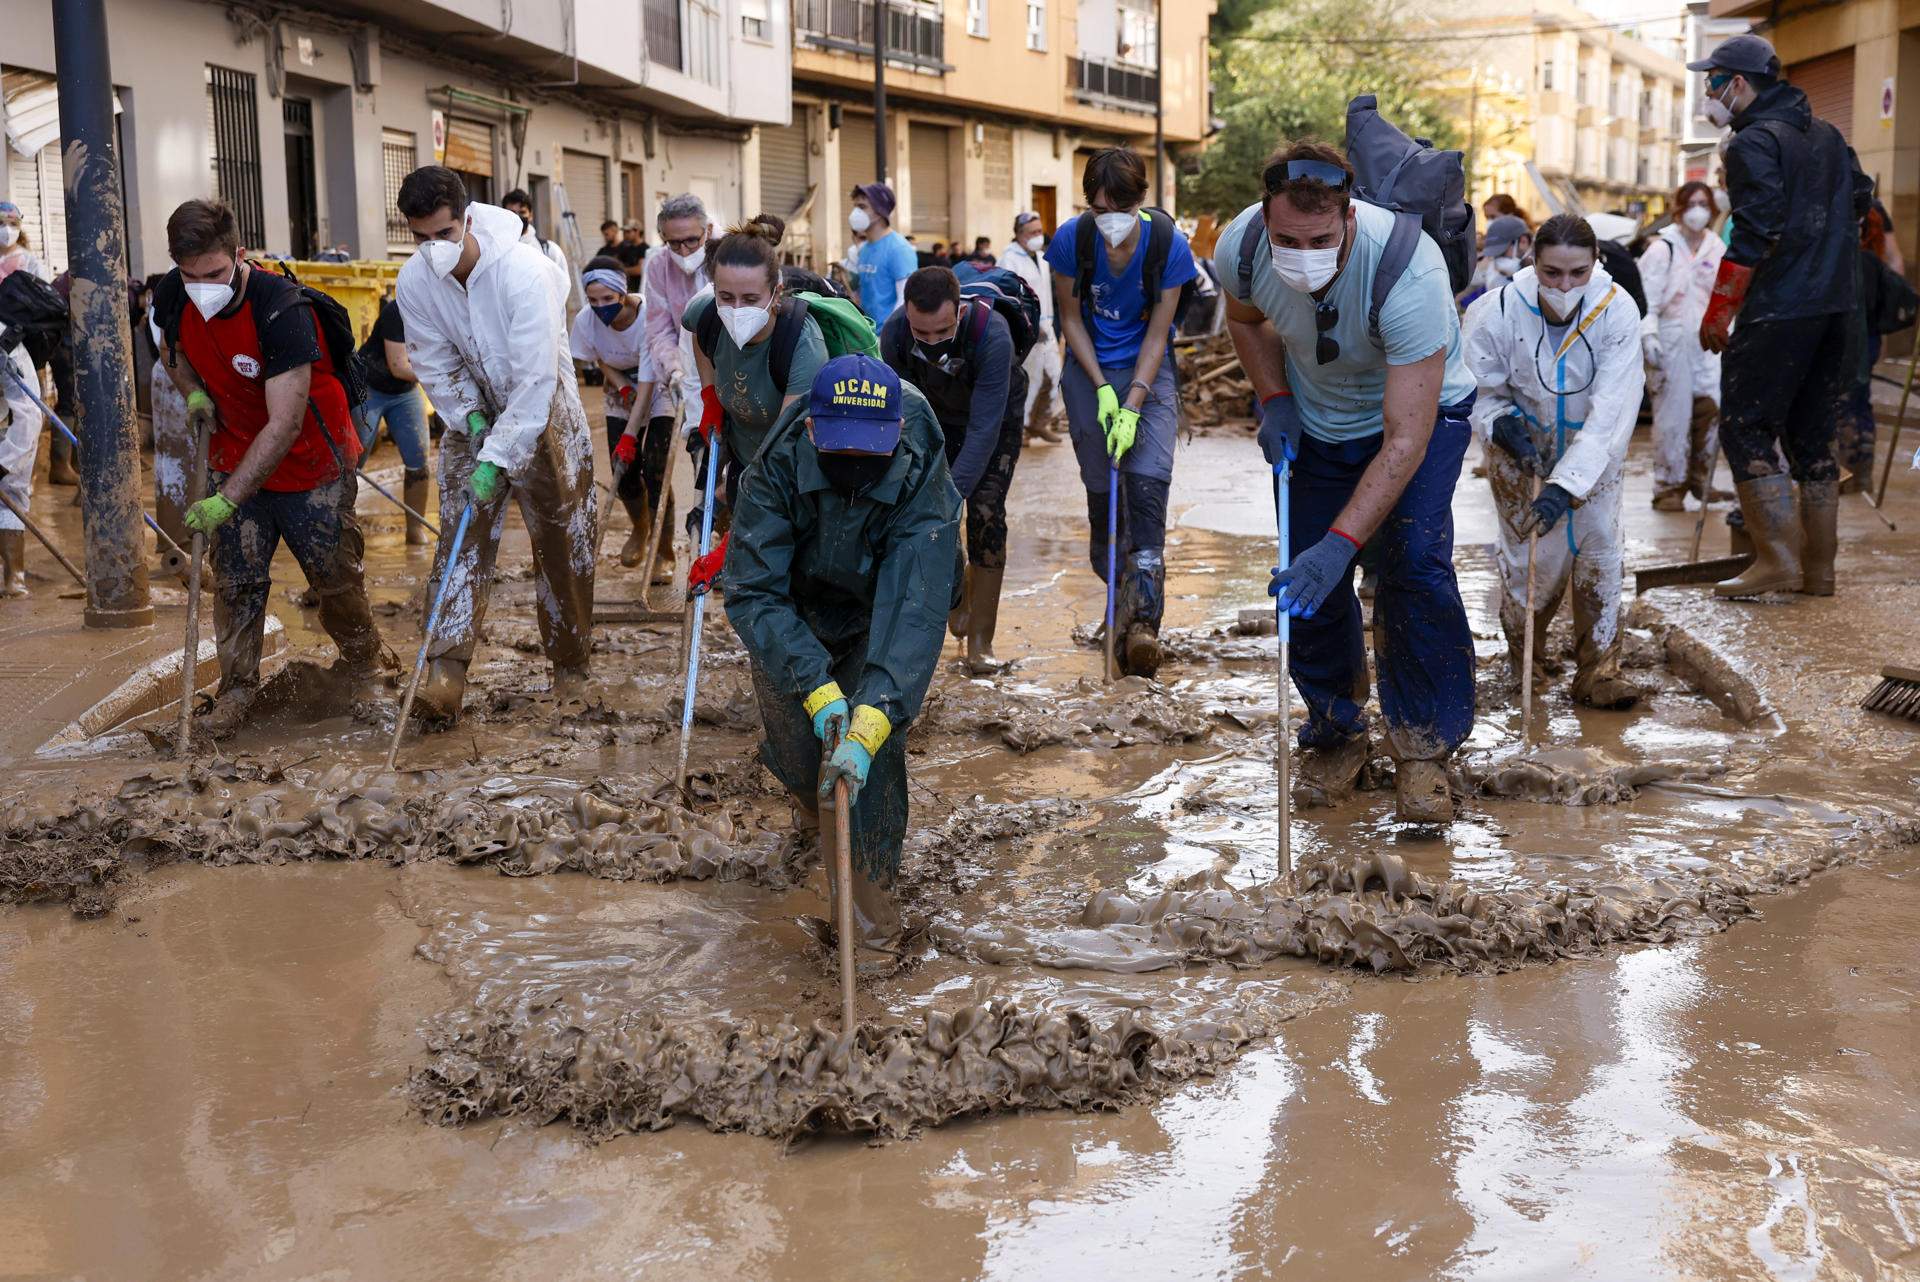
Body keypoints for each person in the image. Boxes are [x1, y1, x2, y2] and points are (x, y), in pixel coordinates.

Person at [1216, 141, 1481, 823]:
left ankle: (1423, 750)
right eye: (1287, 239)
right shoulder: (1241, 248)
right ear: (1265, 220)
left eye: (1321, 239)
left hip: (1420, 415)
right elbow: (1245, 321)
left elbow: (1406, 439)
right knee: (1307, 582)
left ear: (1351, 220)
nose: (1302, 251)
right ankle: (1337, 728)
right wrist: (1273, 397)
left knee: (1415, 564)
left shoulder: (1408, 272)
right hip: (1316, 416)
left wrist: (1344, 541)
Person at [725, 354, 962, 960]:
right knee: (801, 751)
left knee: (870, 756)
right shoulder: (774, 466)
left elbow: (916, 600)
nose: (855, 464)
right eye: (842, 449)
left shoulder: (917, 458)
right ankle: (811, 805)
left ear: (896, 433)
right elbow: (754, 589)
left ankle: (871, 926)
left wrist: (875, 712)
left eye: (870, 451)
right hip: (793, 608)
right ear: (810, 428)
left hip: (877, 606)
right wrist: (814, 684)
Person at [153, 198, 384, 737]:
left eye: (213, 274)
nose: (201, 287)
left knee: (334, 580)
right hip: (233, 451)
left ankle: (366, 667)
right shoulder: (173, 292)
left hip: (311, 464)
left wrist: (225, 499)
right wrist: (192, 395)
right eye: (190, 275)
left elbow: (283, 424)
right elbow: (173, 349)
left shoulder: (281, 309)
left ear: (239, 255)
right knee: (236, 582)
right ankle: (236, 692)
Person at [395, 165, 597, 721]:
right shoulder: (413, 282)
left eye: (443, 234)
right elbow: (432, 360)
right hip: (474, 413)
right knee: (460, 535)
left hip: (545, 410)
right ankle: (445, 673)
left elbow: (535, 378)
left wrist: (504, 452)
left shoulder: (525, 273)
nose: (432, 248)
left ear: (466, 219)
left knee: (563, 539)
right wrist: (471, 419)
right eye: (420, 238)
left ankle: (570, 666)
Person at [1691, 33, 1870, 599]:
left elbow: (1756, 228)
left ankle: (1775, 560)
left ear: (1738, 84)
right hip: (1838, 308)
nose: (1708, 92)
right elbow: (1862, 199)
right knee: (1812, 438)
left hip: (1780, 309)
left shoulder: (1751, 143)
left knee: (1745, 427)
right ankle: (1819, 571)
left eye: (1712, 81)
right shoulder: (1828, 135)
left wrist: (1721, 310)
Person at [1464, 214, 1646, 710]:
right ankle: (1529, 660)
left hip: (1596, 452)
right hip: (1519, 452)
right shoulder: (1496, 311)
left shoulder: (1617, 311)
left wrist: (1566, 484)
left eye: (1577, 273)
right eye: (1552, 273)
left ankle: (1600, 670)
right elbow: (1476, 388)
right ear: (1533, 261)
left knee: (1600, 548)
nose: (1564, 285)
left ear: (1595, 264)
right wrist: (1502, 423)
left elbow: (1613, 409)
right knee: (1530, 558)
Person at [1046, 146, 1196, 677]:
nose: (1110, 219)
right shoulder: (1072, 239)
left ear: (1140, 201)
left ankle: (1143, 631)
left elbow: (1160, 331)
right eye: (1100, 207)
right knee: (1104, 501)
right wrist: (1102, 390)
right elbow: (1070, 316)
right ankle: (1117, 606)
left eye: (1120, 207)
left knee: (1148, 490)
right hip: (1088, 372)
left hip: (1148, 373)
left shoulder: (1168, 246)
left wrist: (1132, 398)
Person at [881, 266, 1025, 672]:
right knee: (925, 507)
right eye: (920, 334)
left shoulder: (992, 335)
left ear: (958, 313)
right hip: (932, 416)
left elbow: (983, 430)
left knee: (984, 510)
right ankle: (957, 589)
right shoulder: (893, 334)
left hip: (994, 419)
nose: (929, 343)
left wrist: (952, 493)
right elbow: (899, 416)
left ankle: (982, 638)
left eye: (940, 333)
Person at [681, 215, 830, 593]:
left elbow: (780, 454)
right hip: (746, 457)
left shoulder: (802, 348)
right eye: (725, 297)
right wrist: (710, 397)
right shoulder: (707, 315)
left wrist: (731, 543)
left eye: (750, 299)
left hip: (795, 474)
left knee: (790, 578)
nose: (735, 309)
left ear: (776, 294)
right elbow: (700, 336)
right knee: (748, 587)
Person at [571, 256, 665, 572]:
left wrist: (631, 433)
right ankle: (640, 529)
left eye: (608, 299)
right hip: (621, 385)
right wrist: (622, 386)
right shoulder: (586, 321)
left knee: (656, 466)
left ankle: (663, 550)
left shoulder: (651, 316)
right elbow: (599, 358)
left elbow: (650, 380)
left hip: (658, 383)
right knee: (621, 468)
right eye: (593, 300)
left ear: (622, 294)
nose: (601, 307)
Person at [1638, 180, 1728, 511]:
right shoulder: (1664, 248)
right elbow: (1645, 298)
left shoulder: (1716, 247)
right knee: (1672, 414)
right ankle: (1668, 486)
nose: (1698, 211)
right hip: (1671, 338)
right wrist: (1648, 334)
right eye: (1691, 203)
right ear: (1679, 208)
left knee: (1710, 407)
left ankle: (1700, 478)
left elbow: (1723, 295)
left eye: (1704, 203)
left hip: (1705, 340)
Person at [641, 191, 716, 579]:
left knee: (743, 474)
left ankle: (736, 554)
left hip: (734, 376)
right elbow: (658, 327)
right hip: (688, 380)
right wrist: (672, 369)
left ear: (707, 230)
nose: (684, 249)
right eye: (674, 242)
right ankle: (707, 551)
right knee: (703, 464)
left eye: (692, 239)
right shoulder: (657, 268)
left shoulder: (728, 255)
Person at [352, 294, 433, 545]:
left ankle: (415, 530)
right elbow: (398, 367)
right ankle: (342, 523)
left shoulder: (440, 313)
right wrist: (440, 373)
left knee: (419, 459)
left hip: (404, 394)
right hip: (369, 387)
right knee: (354, 458)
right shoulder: (397, 311)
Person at [1840, 191, 1905, 490]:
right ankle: (1852, 471)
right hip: (1848, 324)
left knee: (1848, 397)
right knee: (1853, 397)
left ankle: (1853, 470)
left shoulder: (1869, 260)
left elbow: (1895, 264)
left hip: (1860, 327)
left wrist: (1887, 320)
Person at [998, 210, 1065, 441]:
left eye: (1040, 231)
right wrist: (1027, 327)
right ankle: (1021, 428)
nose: (1039, 236)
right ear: (1019, 234)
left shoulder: (1042, 257)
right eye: (1033, 232)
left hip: (1047, 328)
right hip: (1026, 331)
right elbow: (1008, 298)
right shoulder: (1009, 260)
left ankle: (1039, 422)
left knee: (1053, 375)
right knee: (1029, 380)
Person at [0, 335, 43, 596]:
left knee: (11, 495)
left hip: (11, 429)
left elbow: (30, 415)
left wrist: (5, 464)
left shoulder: (7, 345)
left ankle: (13, 577)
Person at [848, 183, 918, 327]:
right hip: (868, 335)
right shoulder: (865, 249)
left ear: (880, 211)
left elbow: (905, 300)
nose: (855, 212)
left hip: (886, 338)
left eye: (862, 207)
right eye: (855, 206)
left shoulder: (899, 249)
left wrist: (888, 335)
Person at [502, 188, 575, 314]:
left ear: (530, 215)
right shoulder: (497, 252)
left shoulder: (549, 250)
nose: (518, 217)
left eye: (522, 212)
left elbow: (562, 286)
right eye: (512, 212)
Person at [1459, 214, 1531, 308]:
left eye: (1501, 253)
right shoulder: (1491, 266)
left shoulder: (1541, 277)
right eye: (1494, 256)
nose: (1497, 261)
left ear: (1523, 242)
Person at [614, 221, 648, 291]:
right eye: (624, 232)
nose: (625, 234)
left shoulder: (644, 248)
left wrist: (622, 270)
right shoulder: (625, 248)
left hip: (639, 290)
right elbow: (615, 264)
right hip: (626, 288)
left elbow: (639, 270)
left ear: (637, 231)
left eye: (628, 232)